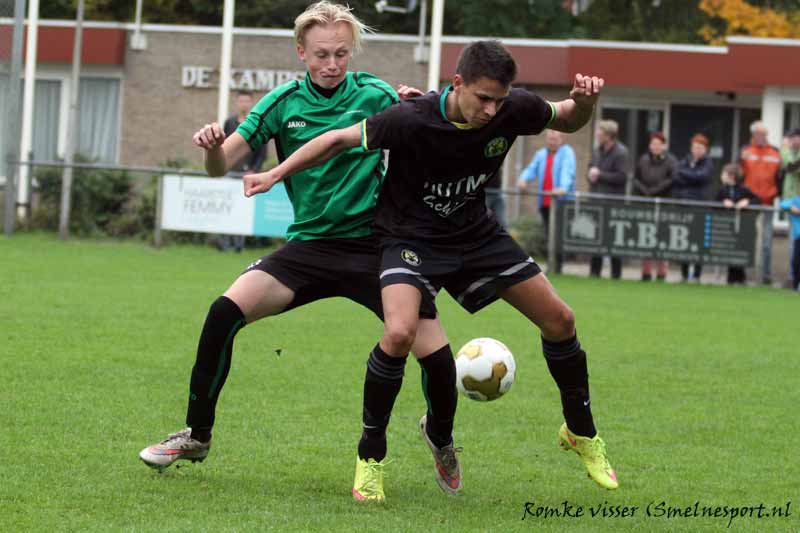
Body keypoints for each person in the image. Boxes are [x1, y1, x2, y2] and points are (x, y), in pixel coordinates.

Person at [245, 40, 619, 492]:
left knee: (560, 319)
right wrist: (275, 173)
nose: (491, 110)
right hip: (409, 239)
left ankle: (581, 432)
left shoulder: (511, 108)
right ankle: (371, 457)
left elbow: (567, 117)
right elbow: (337, 139)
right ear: (457, 83)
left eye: (499, 100)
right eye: (483, 98)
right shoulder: (411, 118)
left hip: (475, 235)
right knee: (399, 333)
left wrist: (586, 103)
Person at [138, 2, 454, 505]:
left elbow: (423, 131)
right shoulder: (282, 103)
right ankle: (197, 435)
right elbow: (221, 167)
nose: (332, 64)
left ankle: (439, 434)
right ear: (301, 52)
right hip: (309, 247)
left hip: (376, 248)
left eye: (341, 54)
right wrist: (213, 147)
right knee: (223, 313)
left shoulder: (375, 94)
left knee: (437, 359)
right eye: (322, 54)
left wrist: (416, 109)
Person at [517, 129, 576, 273]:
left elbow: (568, 172)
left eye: (555, 139)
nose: (552, 142)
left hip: (561, 202)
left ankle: (557, 267)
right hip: (545, 201)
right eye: (550, 139)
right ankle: (551, 265)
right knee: (549, 234)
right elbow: (531, 169)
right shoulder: (541, 154)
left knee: (558, 236)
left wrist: (562, 187)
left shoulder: (567, 153)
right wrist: (523, 179)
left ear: (561, 139)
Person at [216, 91, 268, 252]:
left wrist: (254, 169)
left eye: (247, 101)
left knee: (242, 210)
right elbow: (223, 147)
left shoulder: (256, 123)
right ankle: (224, 243)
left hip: (247, 176)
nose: (244, 104)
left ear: (251, 103)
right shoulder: (229, 123)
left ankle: (240, 244)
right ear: (237, 102)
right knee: (226, 208)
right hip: (230, 174)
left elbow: (262, 151)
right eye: (241, 101)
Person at [587, 120, 630, 279]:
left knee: (613, 240)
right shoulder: (597, 151)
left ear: (608, 135)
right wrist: (590, 175)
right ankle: (594, 272)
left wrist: (600, 175)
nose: (597, 135)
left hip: (613, 203)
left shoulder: (621, 152)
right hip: (596, 201)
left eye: (600, 132)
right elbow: (590, 169)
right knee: (596, 238)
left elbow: (622, 177)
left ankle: (616, 274)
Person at [740, 120, 781, 285]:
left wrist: (777, 193)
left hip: (768, 202)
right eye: (760, 134)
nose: (763, 136)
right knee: (748, 240)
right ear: (753, 134)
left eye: (765, 134)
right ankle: (746, 276)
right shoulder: (746, 151)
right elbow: (739, 175)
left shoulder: (775, 152)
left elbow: (781, 175)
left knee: (766, 242)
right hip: (750, 203)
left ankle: (765, 276)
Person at [633, 131, 677, 281]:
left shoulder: (671, 161)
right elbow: (636, 178)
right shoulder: (643, 159)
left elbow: (672, 179)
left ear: (664, 146)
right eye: (653, 144)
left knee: (663, 237)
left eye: (658, 144)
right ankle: (646, 272)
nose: (655, 147)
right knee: (645, 238)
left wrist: (654, 191)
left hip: (664, 204)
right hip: (646, 204)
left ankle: (662, 272)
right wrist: (645, 191)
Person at [675, 133, 713, 282]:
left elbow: (702, 177)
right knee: (683, 241)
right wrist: (691, 176)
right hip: (684, 204)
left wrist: (687, 175)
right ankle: (684, 275)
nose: (697, 150)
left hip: (699, 205)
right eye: (695, 147)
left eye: (700, 148)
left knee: (698, 240)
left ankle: (697, 275)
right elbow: (676, 177)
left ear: (705, 149)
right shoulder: (685, 161)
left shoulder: (708, 163)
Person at [716, 164, 760, 284]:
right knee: (730, 250)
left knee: (740, 250)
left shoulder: (743, 189)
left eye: (724, 174)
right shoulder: (722, 190)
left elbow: (757, 199)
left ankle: (740, 277)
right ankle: (731, 278)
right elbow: (714, 202)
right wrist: (723, 202)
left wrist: (747, 201)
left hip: (741, 226)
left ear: (732, 176)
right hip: (726, 226)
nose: (721, 176)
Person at [780, 128, 800, 286]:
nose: (792, 142)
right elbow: (788, 167)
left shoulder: (791, 154)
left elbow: (793, 168)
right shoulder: (790, 153)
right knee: (795, 242)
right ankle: (794, 278)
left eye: (795, 138)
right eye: (791, 139)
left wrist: (785, 150)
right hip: (792, 202)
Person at [779, 193, 800, 291]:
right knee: (796, 262)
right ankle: (796, 285)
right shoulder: (796, 201)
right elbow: (783, 204)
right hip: (798, 237)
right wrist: (791, 207)